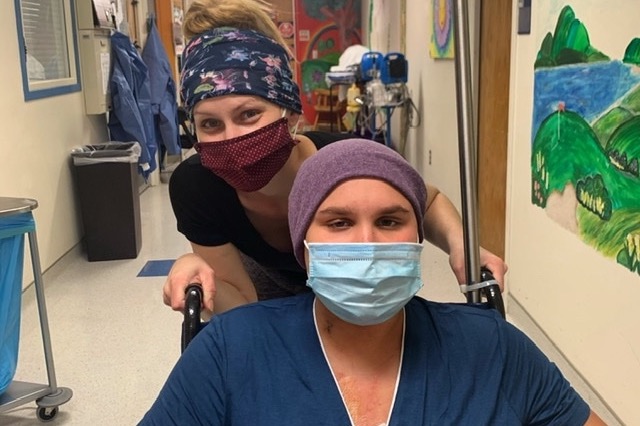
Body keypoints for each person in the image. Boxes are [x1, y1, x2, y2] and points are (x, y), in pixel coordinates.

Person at [140, 139, 603, 425]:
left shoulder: (494, 349)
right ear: (304, 247)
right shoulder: (229, 351)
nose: (367, 243)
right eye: (338, 223)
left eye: (389, 221)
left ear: (418, 237)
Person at [164, 0, 507, 315]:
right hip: (266, 305)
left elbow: (426, 201)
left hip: (350, 301)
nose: (232, 138)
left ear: (289, 109)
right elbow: (242, 310)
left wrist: (461, 244)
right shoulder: (197, 187)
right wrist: (197, 277)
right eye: (210, 123)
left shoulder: (346, 161)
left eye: (249, 114)